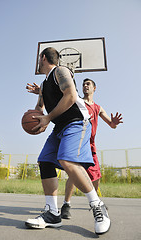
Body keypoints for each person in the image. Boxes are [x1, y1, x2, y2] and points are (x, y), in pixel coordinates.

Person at [25, 47, 111, 235]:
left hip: (76, 122)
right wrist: (38, 119)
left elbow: (71, 96)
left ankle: (98, 206)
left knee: (67, 160)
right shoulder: (44, 84)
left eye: (39, 59)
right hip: (59, 127)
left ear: (43, 57)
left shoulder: (61, 71)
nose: (38, 62)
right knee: (45, 161)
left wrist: (48, 117)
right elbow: (39, 109)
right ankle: (52, 214)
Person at [60, 78, 123, 219]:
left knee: (96, 177)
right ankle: (66, 204)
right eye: (83, 84)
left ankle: (94, 202)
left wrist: (114, 123)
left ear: (95, 88)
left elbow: (111, 125)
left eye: (88, 84)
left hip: (91, 145)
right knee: (73, 174)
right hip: (78, 142)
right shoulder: (77, 101)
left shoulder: (98, 108)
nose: (85, 86)